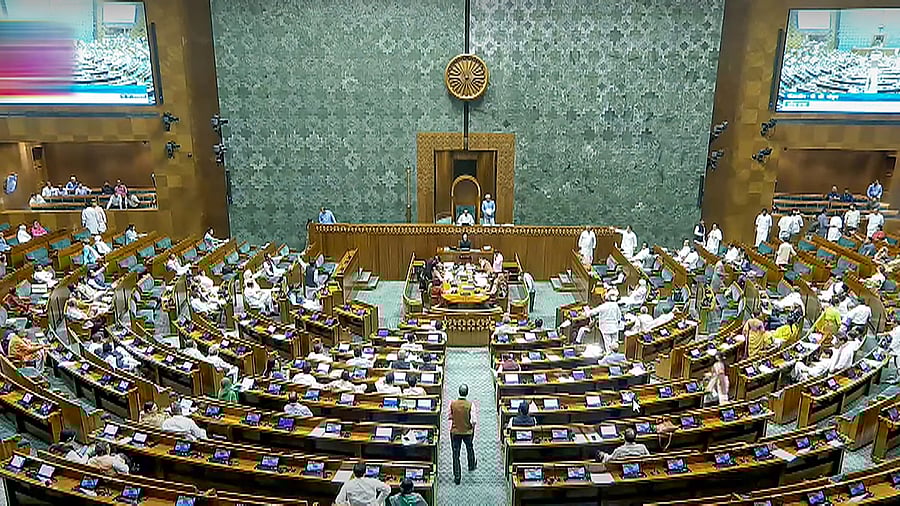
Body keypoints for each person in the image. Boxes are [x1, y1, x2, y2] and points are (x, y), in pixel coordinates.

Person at [450, 384, 476, 485]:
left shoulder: (453, 404)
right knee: (470, 448)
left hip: (455, 432)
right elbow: (473, 421)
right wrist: (472, 430)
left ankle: (457, 477)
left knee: (456, 454)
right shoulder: (471, 405)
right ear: (467, 393)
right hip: (467, 432)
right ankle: (471, 465)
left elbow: (450, 416)